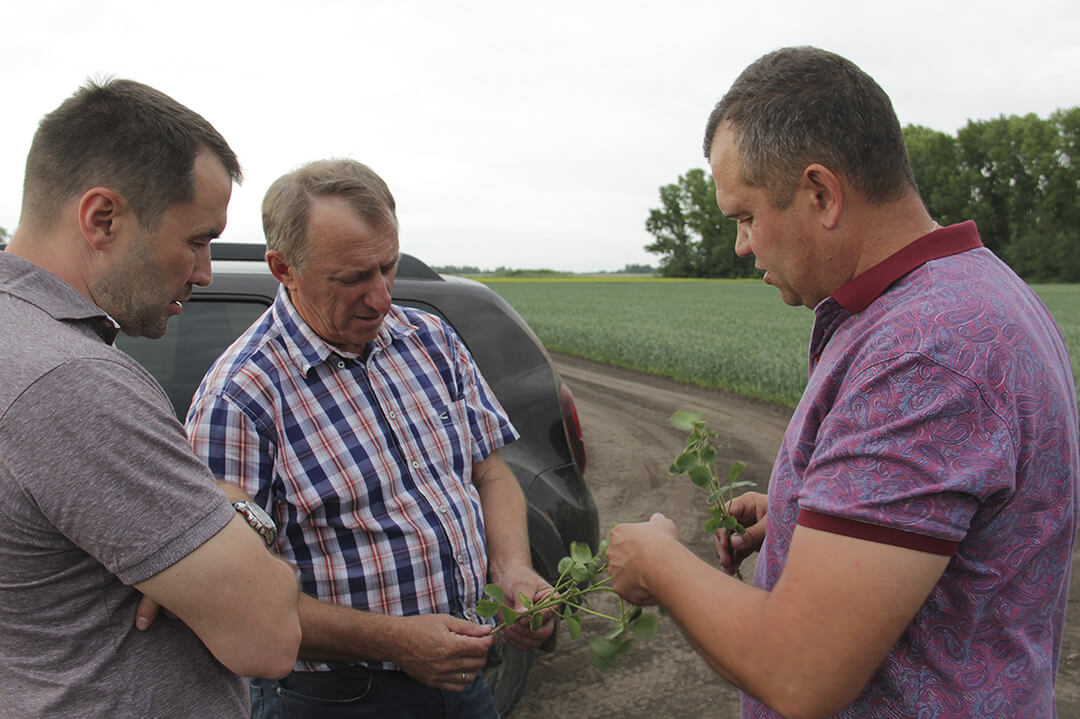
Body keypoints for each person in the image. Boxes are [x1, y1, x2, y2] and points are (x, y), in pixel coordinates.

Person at [606, 46, 1080, 719]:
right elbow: (955, 516)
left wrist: (658, 563)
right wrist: (808, 514)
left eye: (745, 217)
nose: (742, 245)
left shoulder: (925, 353)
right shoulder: (976, 291)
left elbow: (801, 671)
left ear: (821, 194)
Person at [185, 158, 555, 718]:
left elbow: (490, 472)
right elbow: (232, 599)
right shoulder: (240, 399)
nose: (381, 297)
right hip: (338, 699)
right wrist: (394, 641)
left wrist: (512, 569)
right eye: (353, 278)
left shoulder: (429, 339)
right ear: (283, 267)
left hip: (463, 681)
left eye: (387, 267)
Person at [0, 79, 302, 717]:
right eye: (197, 239)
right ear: (102, 218)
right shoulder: (72, 382)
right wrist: (238, 508)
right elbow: (269, 637)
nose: (205, 271)